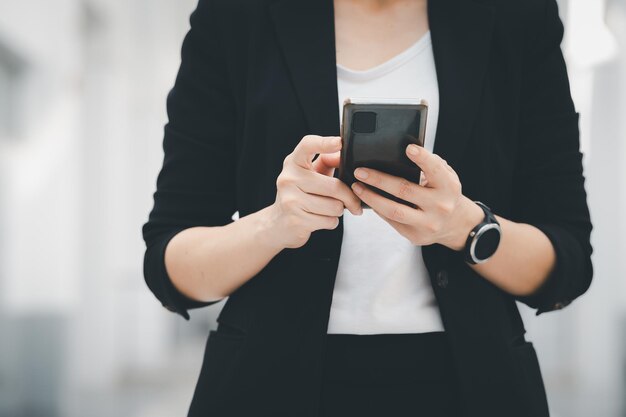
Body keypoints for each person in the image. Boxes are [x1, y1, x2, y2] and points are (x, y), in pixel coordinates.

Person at [141, 0, 594, 416]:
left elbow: (567, 263)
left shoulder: (515, 14)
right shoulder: (237, 14)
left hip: (471, 387)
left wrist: (465, 227)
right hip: (267, 384)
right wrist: (274, 225)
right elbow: (170, 266)